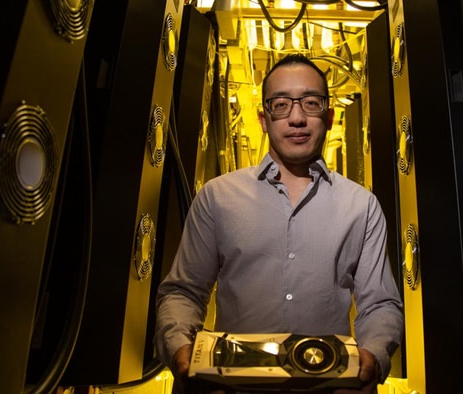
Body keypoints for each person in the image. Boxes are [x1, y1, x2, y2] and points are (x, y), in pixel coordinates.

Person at [155, 53, 404, 394]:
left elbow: (380, 303)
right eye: (282, 104)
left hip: (330, 387)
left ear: (329, 116)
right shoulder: (217, 197)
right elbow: (183, 292)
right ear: (264, 118)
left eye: (311, 103)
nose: (297, 118)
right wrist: (180, 349)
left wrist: (372, 355)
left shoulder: (362, 206)